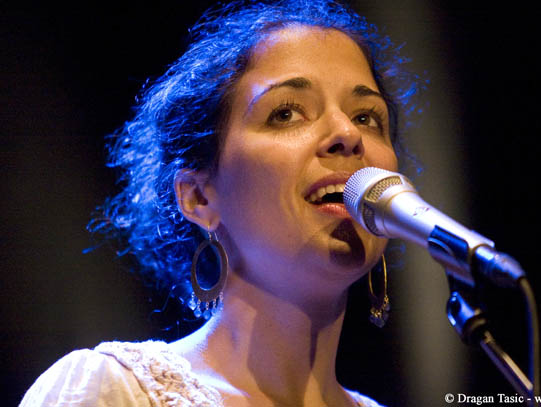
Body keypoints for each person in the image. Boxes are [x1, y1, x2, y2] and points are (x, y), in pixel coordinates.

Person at [19, 0, 420, 406]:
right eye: (285, 113)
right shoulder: (112, 391)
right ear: (199, 196)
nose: (347, 133)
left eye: (367, 117)